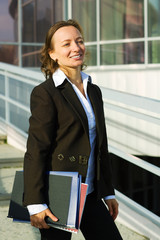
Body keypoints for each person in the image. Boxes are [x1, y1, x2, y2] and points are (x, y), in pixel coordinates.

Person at [23, 19, 123, 240]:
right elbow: (36, 149)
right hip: (59, 191)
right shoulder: (46, 93)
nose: (76, 48)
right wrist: (35, 203)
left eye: (79, 41)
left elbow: (100, 145)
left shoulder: (94, 90)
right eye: (66, 44)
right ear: (52, 54)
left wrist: (107, 191)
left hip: (91, 192)